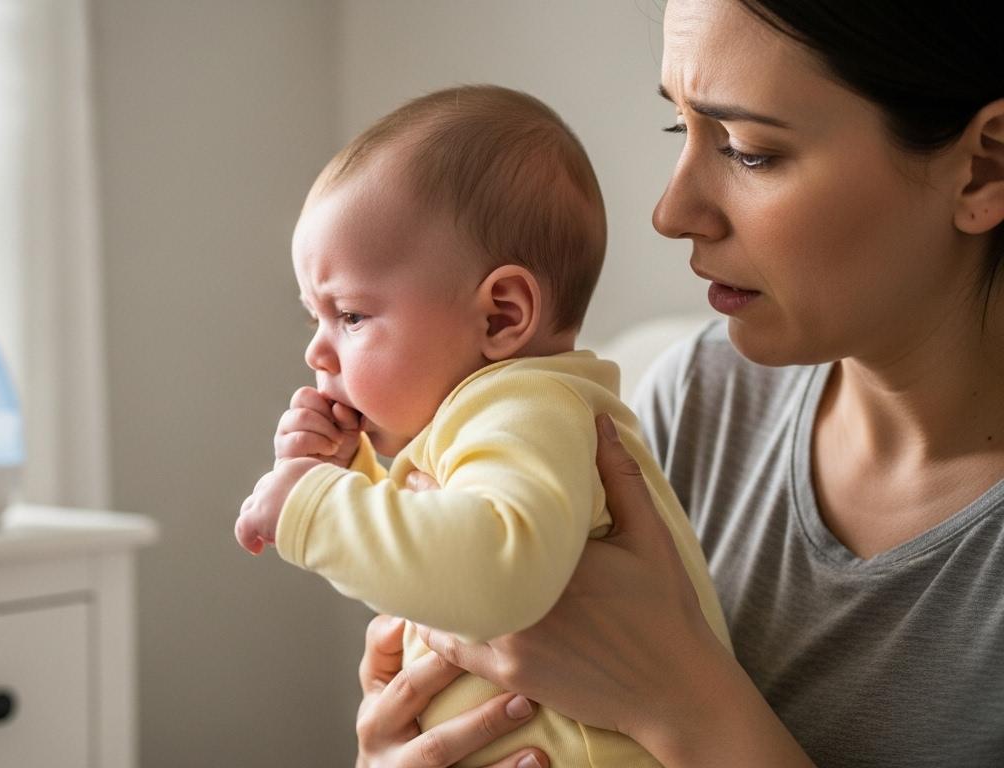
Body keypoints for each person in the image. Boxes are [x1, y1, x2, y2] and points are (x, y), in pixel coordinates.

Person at [352, 1, 1004, 766]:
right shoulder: (697, 398)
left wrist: (683, 700)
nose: (672, 212)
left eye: (749, 150)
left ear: (983, 167)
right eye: (680, 129)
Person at [233, 84, 732, 768]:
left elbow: (497, 567)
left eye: (350, 316)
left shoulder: (529, 408)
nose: (319, 353)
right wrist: (347, 470)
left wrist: (313, 509)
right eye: (313, 318)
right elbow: (437, 529)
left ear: (500, 316)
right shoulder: (493, 420)